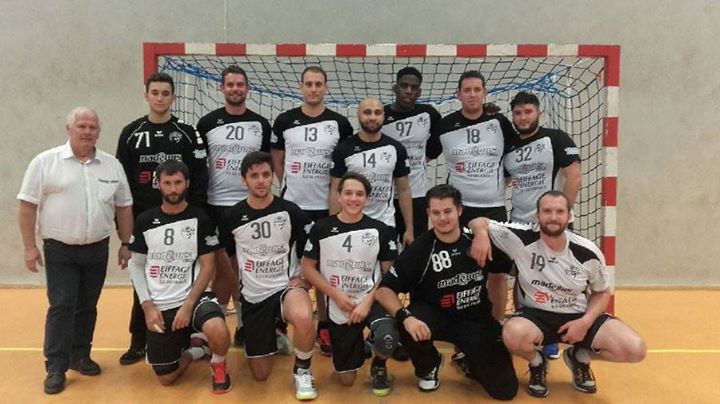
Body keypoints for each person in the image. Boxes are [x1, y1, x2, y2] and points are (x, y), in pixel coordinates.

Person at [468, 190, 646, 398]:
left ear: (569, 216)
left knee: (635, 349)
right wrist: (481, 234)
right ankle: (537, 362)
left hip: (578, 316)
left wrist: (585, 322)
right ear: (537, 216)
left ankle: (580, 357)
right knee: (511, 334)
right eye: (547, 211)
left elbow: (602, 292)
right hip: (536, 317)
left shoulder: (587, 251)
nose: (553, 217)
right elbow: (478, 221)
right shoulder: (520, 238)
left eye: (560, 211)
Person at [17, 107, 134, 394]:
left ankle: (80, 355)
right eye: (81, 126)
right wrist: (30, 247)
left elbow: (124, 206)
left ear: (99, 132)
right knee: (62, 305)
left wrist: (125, 243)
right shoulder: (45, 162)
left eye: (93, 127)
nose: (87, 132)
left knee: (88, 305)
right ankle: (56, 366)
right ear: (69, 129)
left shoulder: (111, 165)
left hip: (97, 248)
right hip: (60, 250)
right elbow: (27, 205)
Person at [374, 184, 518, 400]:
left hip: (475, 319)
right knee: (407, 325)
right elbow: (384, 290)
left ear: (459, 210)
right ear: (428, 213)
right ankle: (429, 365)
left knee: (505, 391)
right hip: (434, 318)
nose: (442, 218)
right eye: (436, 213)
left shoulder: (478, 242)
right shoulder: (420, 249)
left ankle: (470, 361)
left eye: (448, 211)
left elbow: (515, 268)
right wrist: (405, 317)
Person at [116, 72, 209, 365]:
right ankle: (138, 340)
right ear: (146, 95)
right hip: (145, 221)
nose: (160, 98)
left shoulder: (187, 132)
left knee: (181, 275)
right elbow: (122, 186)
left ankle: (185, 335)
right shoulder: (131, 133)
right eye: (154, 92)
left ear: (173, 97)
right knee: (143, 278)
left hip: (182, 218)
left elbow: (200, 177)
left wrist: (195, 217)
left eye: (165, 93)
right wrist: (125, 236)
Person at [216, 151, 318, 400]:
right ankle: (273, 336)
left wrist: (306, 279)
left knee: (304, 316)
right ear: (244, 181)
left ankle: (303, 371)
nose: (261, 181)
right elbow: (223, 256)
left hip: (285, 287)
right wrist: (235, 285)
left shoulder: (289, 211)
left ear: (273, 177)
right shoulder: (232, 216)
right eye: (254, 176)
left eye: (265, 174)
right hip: (254, 295)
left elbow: (315, 242)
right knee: (260, 374)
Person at [128, 160, 231, 393]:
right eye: (167, 183)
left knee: (218, 329)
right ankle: (195, 351)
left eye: (178, 182)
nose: (173, 189)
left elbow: (208, 266)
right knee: (166, 378)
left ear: (187, 183)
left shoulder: (200, 218)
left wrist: (188, 305)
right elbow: (136, 267)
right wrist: (147, 306)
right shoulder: (145, 220)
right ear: (158, 184)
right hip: (161, 303)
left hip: (194, 298)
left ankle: (218, 365)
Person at [271, 65, 353, 355]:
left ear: (326, 87)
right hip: (294, 207)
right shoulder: (285, 120)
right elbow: (277, 157)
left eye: (319, 84)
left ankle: (325, 327)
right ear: (301, 87)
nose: (314, 88)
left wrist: (336, 206)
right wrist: (286, 186)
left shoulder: (340, 123)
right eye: (309, 84)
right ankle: (280, 323)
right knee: (287, 267)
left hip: (326, 208)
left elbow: (343, 166)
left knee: (325, 270)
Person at [301, 173, 400, 397]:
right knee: (346, 380)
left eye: (359, 194)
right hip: (340, 303)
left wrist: (367, 302)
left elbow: (389, 275)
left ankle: (379, 364)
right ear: (339, 196)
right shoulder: (321, 228)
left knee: (387, 338)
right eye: (348, 193)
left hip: (372, 298)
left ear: (367, 198)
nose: (353, 198)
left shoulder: (381, 230)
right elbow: (307, 268)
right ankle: (359, 344)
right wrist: (334, 294)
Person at [196, 65, 272, 348]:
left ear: (247, 88)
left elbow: (265, 167)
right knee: (222, 269)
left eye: (240, 84)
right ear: (222, 88)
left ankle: (243, 326)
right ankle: (215, 326)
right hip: (217, 205)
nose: (235, 89)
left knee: (245, 268)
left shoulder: (261, 124)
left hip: (250, 206)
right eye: (230, 84)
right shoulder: (207, 123)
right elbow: (200, 166)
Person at [505, 90, 583, 360]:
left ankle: (553, 337)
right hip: (519, 223)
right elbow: (504, 180)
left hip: (551, 224)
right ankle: (526, 326)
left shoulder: (556, 138)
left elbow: (574, 176)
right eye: (518, 113)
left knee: (555, 279)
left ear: (539, 112)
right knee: (522, 278)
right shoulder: (510, 146)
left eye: (528, 111)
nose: (523, 117)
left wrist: (562, 215)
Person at [427, 70, 516, 227]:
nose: (472, 95)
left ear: (485, 93)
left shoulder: (499, 122)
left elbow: (515, 154)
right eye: (467, 90)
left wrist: (501, 183)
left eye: (477, 89)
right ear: (458, 95)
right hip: (459, 208)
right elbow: (425, 156)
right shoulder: (445, 125)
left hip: (494, 207)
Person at [330, 97, 414, 246]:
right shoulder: (343, 149)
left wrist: (409, 229)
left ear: (383, 116)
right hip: (351, 224)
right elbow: (335, 190)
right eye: (367, 112)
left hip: (385, 223)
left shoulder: (396, 148)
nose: (373, 117)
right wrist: (334, 227)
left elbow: (404, 190)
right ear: (358, 115)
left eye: (377, 112)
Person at [382, 67, 441, 239]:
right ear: (395, 88)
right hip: (386, 196)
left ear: (419, 92)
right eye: (404, 86)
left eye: (414, 87)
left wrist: (424, 158)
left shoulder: (428, 113)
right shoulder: (381, 115)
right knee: (385, 246)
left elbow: (444, 133)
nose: (409, 91)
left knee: (416, 246)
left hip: (417, 195)